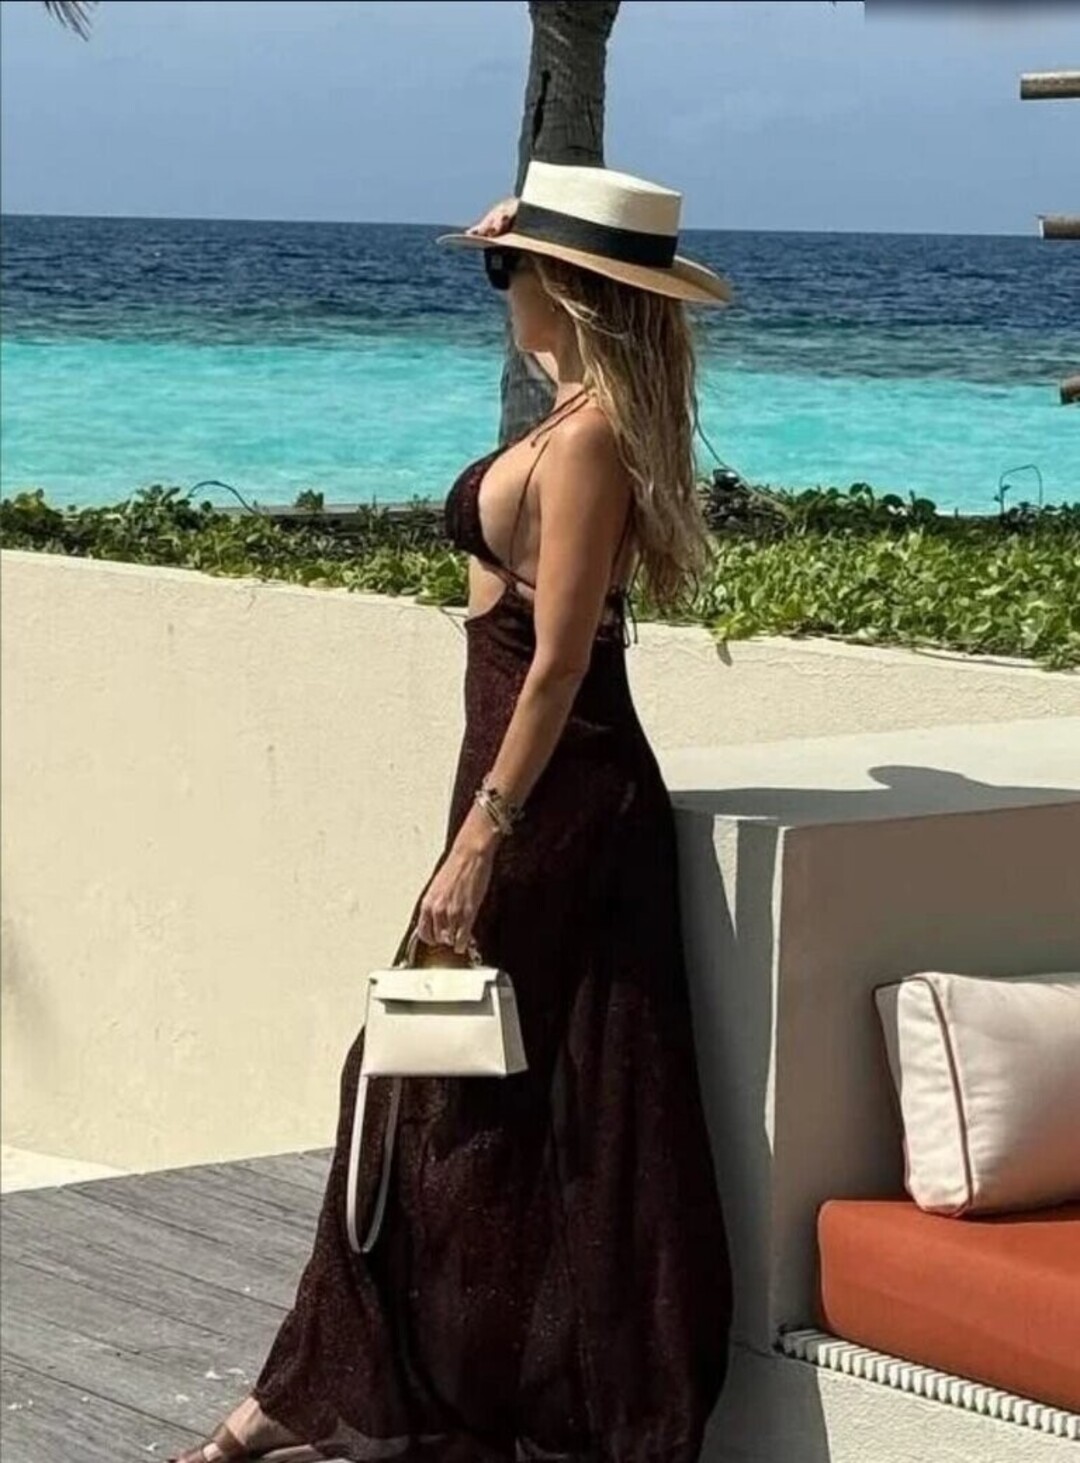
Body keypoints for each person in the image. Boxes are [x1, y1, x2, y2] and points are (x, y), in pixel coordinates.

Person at [169, 160, 734, 1463]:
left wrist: (482, 839)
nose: (498, 286)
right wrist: (516, 235)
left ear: (566, 289)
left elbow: (560, 663)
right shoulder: (575, 410)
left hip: (557, 797)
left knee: (420, 1077)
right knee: (478, 1090)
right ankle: (378, 1388)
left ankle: (335, 1396)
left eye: (507, 271)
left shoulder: (587, 440)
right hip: (528, 787)